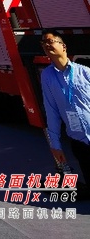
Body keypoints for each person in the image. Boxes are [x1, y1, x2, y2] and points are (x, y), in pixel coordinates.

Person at [40, 29, 90, 191]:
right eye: (43, 43)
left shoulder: (85, 72)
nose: (47, 45)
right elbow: (51, 110)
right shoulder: (47, 76)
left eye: (50, 41)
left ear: (63, 46)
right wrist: (55, 145)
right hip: (79, 141)